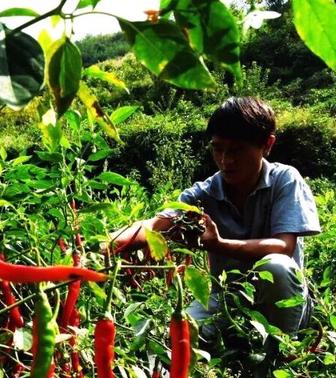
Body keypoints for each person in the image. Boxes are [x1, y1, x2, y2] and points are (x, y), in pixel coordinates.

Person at [109, 97, 321, 347]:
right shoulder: (204, 193)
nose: (225, 160)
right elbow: (156, 224)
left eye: (237, 150)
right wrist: (108, 244)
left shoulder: (284, 180)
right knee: (176, 341)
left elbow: (283, 246)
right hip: (225, 298)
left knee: (276, 266)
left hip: (283, 301)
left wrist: (218, 244)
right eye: (218, 149)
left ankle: (281, 352)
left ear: (267, 145)